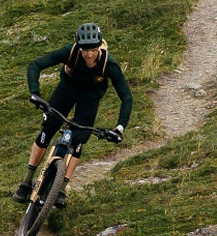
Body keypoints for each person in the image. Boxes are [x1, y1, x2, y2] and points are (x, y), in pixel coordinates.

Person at [19, 22, 133, 203]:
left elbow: (126, 97)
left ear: (99, 46)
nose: (89, 54)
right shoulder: (69, 52)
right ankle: (26, 181)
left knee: (79, 140)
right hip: (67, 90)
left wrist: (119, 128)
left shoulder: (109, 64)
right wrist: (35, 93)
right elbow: (36, 65)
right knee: (47, 130)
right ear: (79, 47)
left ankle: (61, 188)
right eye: (85, 49)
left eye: (93, 49)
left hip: (90, 98)